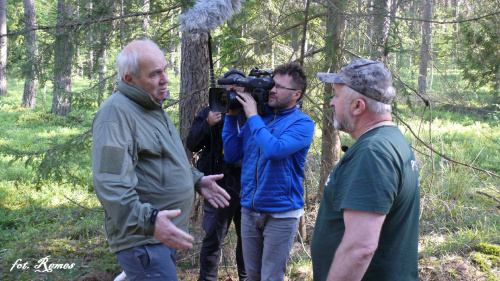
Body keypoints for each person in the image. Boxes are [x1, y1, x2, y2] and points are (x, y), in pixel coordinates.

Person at [92, 39, 231, 281]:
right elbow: (111, 184)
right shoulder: (115, 115)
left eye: (165, 69)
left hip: (160, 234)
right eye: (155, 74)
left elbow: (165, 160)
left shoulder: (151, 107)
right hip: (143, 238)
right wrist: (149, 220)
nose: (165, 78)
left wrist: (197, 180)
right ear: (129, 79)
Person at [311, 58, 420, 281]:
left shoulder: (373, 153)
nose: (331, 102)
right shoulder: (391, 141)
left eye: (336, 95)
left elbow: (360, 248)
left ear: (358, 106)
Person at [222, 62, 315, 281]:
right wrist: (232, 115)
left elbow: (275, 150)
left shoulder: (302, 124)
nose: (272, 90)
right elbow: (232, 154)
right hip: (249, 210)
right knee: (251, 276)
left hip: (281, 214)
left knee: (271, 277)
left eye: (280, 87)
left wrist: (252, 116)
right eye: (272, 84)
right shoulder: (260, 120)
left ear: (296, 94)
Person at [187, 70, 248, 281]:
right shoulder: (210, 111)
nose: (232, 90)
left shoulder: (253, 113)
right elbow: (192, 143)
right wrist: (208, 124)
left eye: (237, 86)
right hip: (218, 185)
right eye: (228, 87)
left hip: (247, 185)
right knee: (213, 238)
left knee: (247, 240)